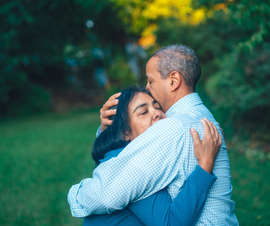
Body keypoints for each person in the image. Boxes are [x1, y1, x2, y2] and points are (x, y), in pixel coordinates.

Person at [68, 45, 239, 225]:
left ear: (173, 80)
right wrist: (109, 130)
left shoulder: (173, 127)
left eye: (150, 81)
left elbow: (106, 194)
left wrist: (76, 194)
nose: (148, 88)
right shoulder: (203, 117)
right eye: (143, 111)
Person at [74, 86, 221, 225]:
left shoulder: (129, 154)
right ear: (124, 133)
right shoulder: (132, 167)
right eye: (144, 112)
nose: (157, 113)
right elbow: (172, 222)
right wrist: (205, 165)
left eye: (157, 107)